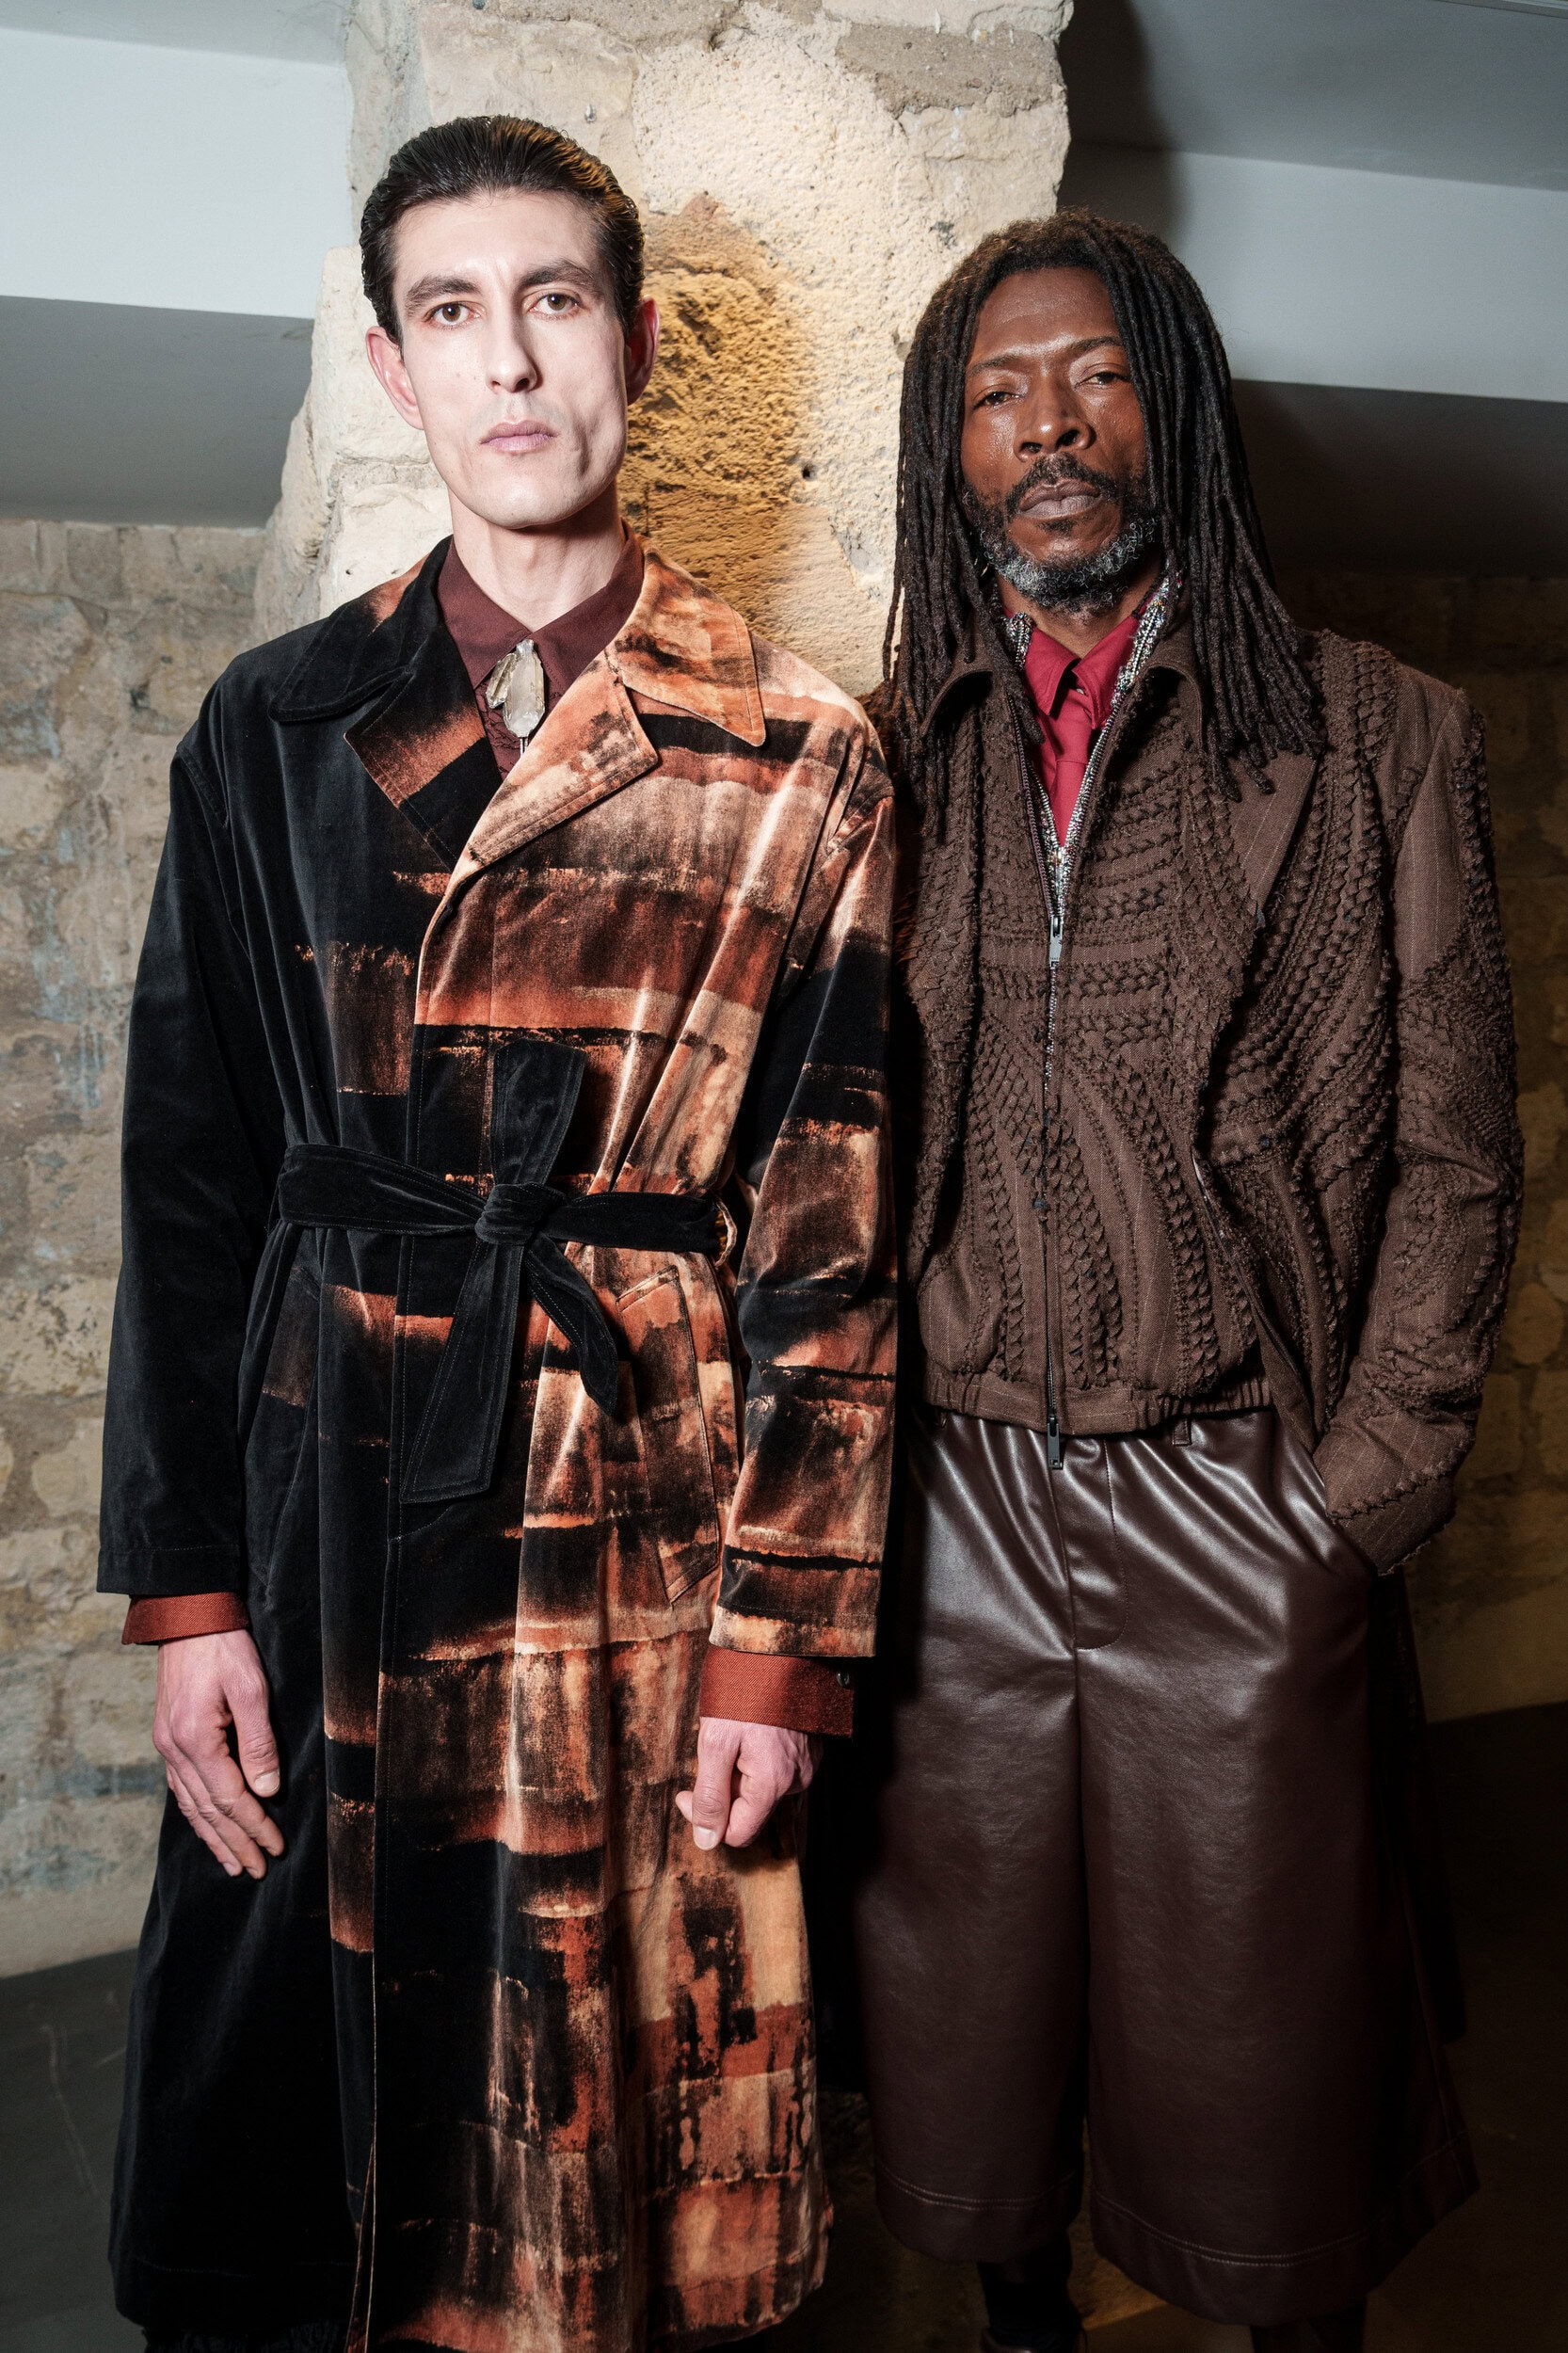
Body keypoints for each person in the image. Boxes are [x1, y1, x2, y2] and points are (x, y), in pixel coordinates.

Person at [99, 115, 895, 2353]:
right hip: (325, 1491)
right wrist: (188, 1590)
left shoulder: (794, 748)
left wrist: (780, 1639)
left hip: (639, 1492)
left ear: (630, 341)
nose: (510, 361)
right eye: (452, 311)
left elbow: (830, 1233)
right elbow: (185, 1176)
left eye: (551, 301)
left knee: (602, 2072)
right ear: (393, 365)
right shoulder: (275, 724)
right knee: (313, 2094)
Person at [854, 211, 1522, 2353]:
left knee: (1274, 2077)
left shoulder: (1372, 735)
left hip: (1239, 1492)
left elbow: (1455, 1155)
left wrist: (1356, 1495)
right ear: (947, 450)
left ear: (1174, 411)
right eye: (993, 395)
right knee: (968, 2037)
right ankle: (1022, 2326)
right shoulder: (884, 755)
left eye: (1094, 377)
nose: (1045, 429)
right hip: (949, 1504)